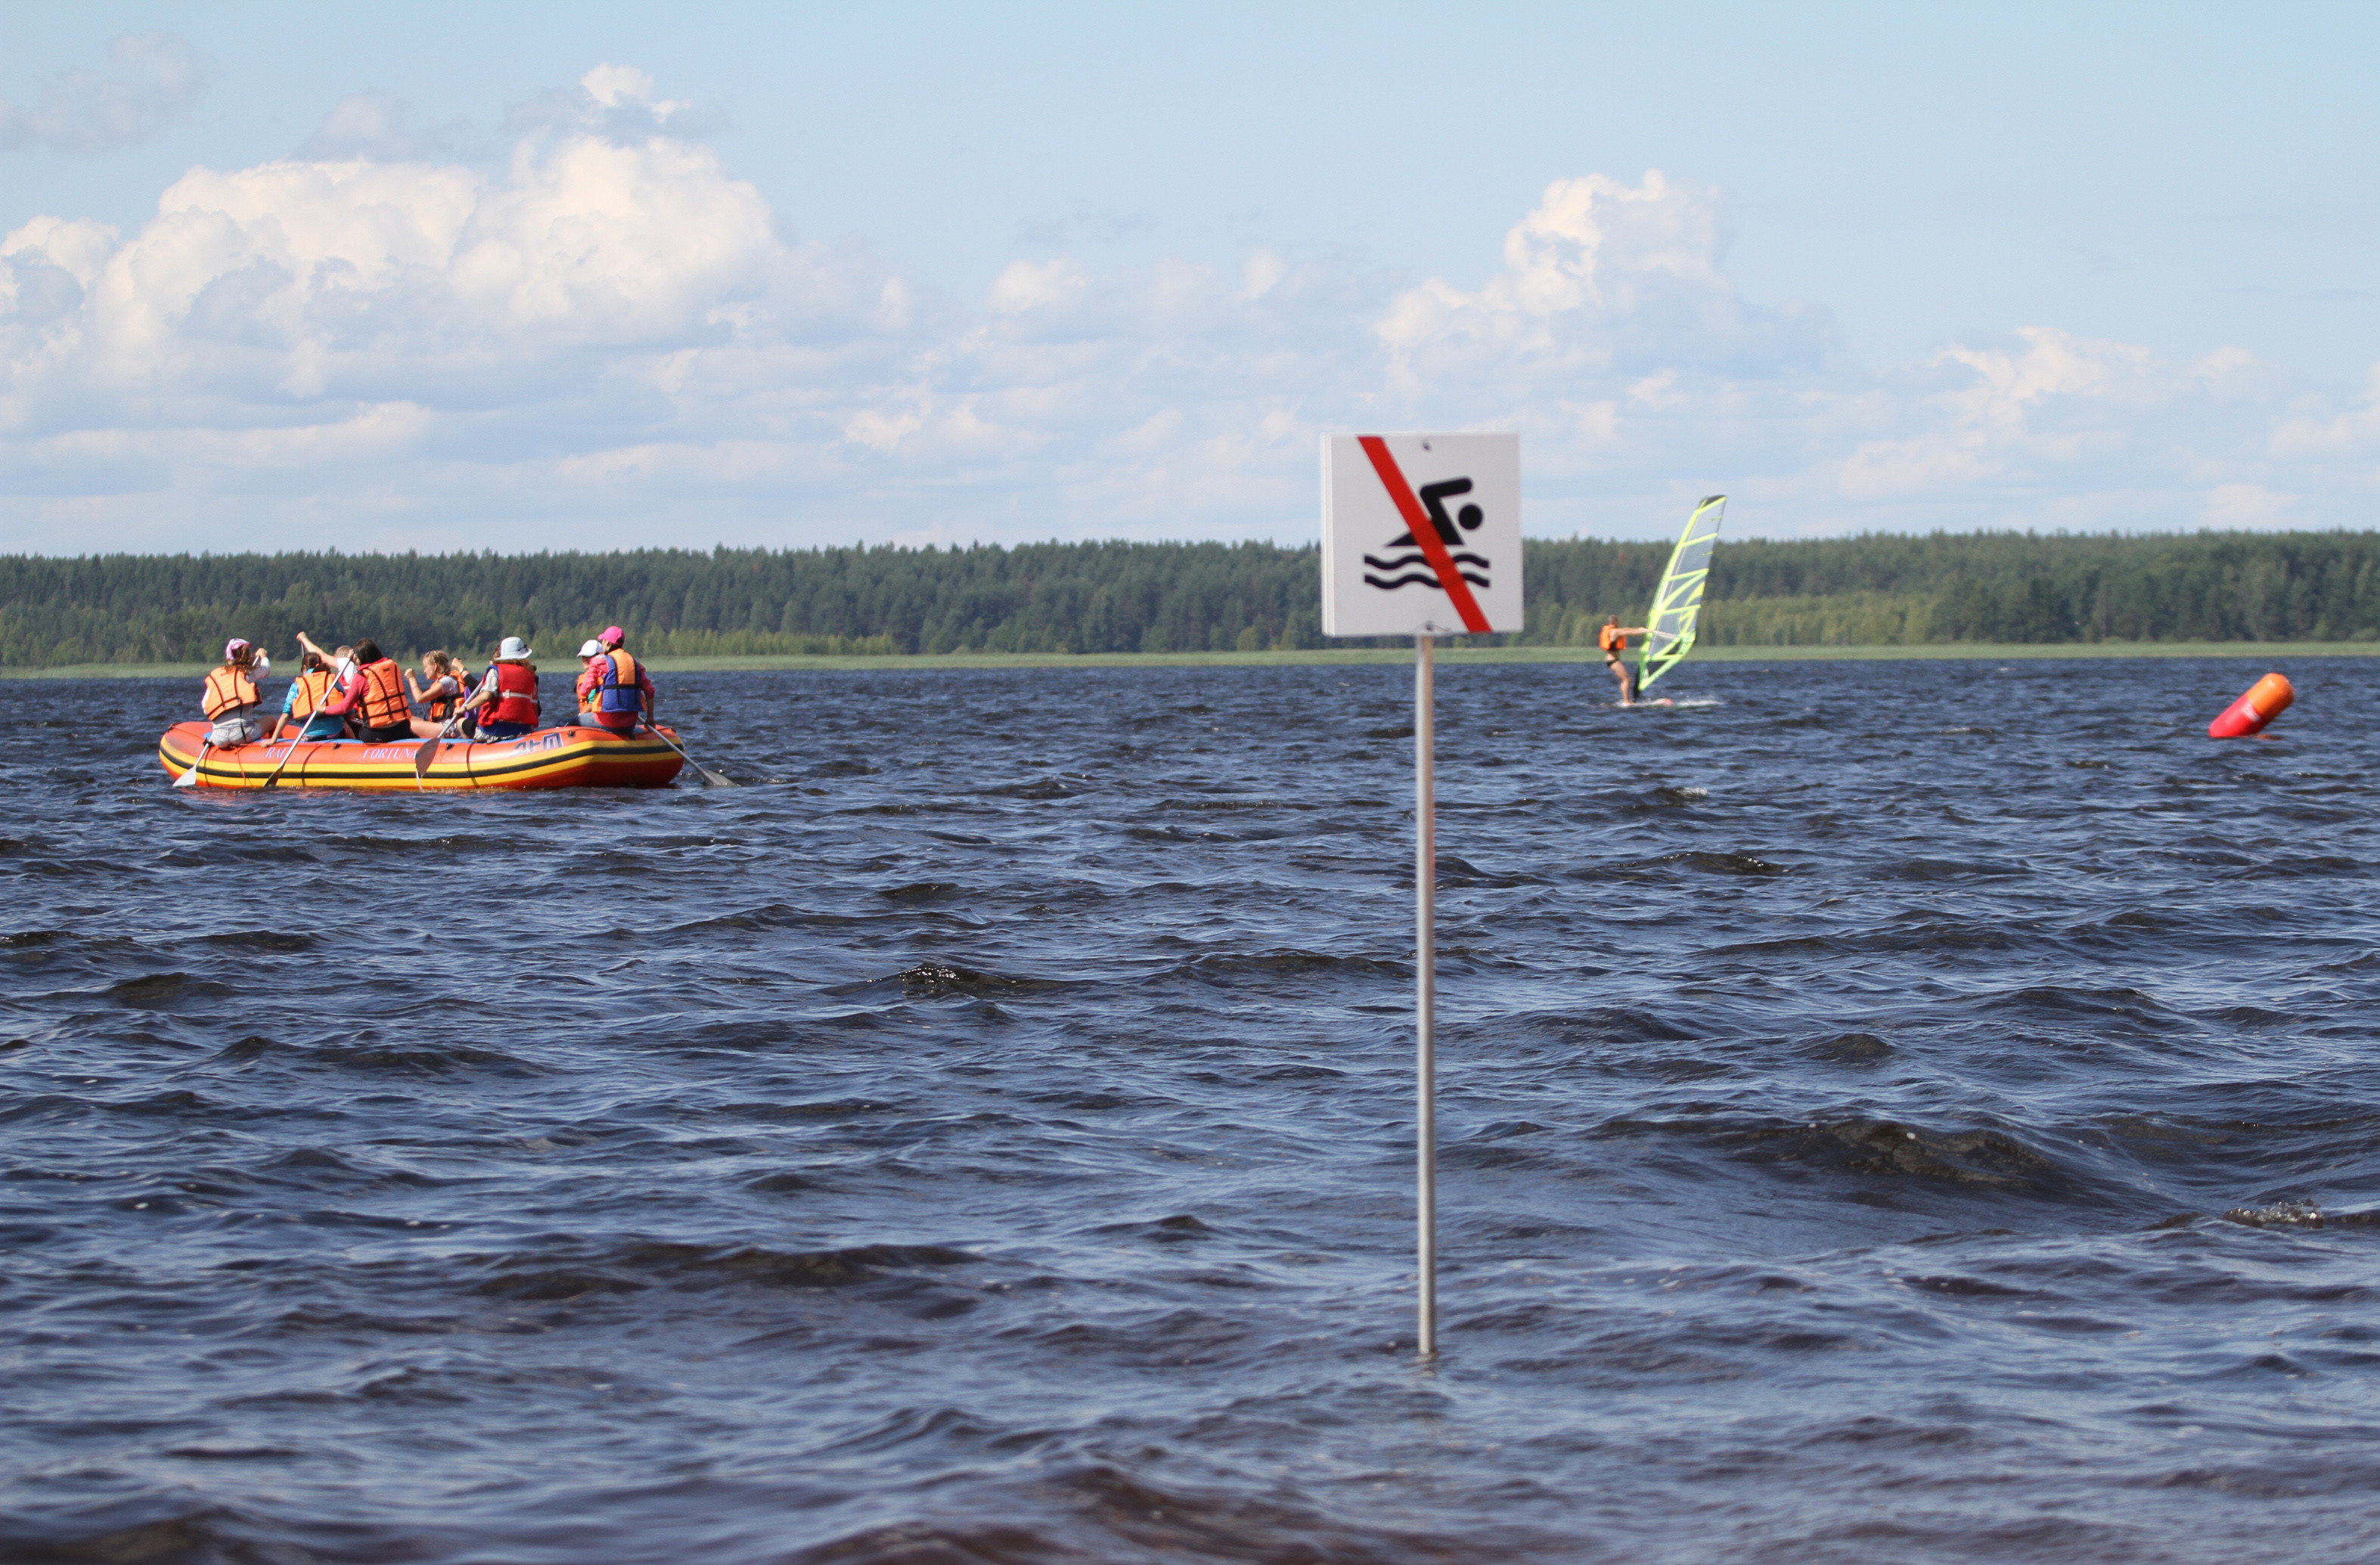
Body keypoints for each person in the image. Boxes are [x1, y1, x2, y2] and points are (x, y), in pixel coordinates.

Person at [299, 633, 414, 742]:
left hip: (378, 733)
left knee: (355, 729)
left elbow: (345, 708)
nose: (356, 662)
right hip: (401, 729)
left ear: (362, 657)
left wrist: (323, 709)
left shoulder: (361, 677)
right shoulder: (393, 668)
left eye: (357, 658)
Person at [456, 636, 542, 739]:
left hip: (495, 731)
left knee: (461, 723)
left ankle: (477, 749)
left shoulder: (496, 671)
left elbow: (486, 696)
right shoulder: (531, 675)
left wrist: (464, 709)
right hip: (524, 730)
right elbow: (538, 710)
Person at [582, 625, 655, 737]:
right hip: (629, 724)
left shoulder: (600, 662)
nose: (602, 643)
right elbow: (650, 691)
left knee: (566, 723)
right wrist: (650, 718)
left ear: (608, 643)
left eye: (603, 641)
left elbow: (584, 691)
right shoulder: (635, 664)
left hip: (606, 722)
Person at [201, 639, 268, 745]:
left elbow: (205, 707)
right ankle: (272, 749)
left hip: (219, 738)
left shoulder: (217, 676)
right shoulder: (250, 672)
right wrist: (263, 656)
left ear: (228, 657)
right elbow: (267, 670)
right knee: (271, 720)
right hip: (242, 734)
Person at [270, 649, 346, 742]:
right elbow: (348, 708)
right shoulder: (333, 679)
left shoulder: (297, 685)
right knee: (345, 723)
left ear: (304, 668)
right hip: (335, 734)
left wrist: (273, 740)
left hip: (310, 736)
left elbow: (286, 715)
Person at [405, 650, 473, 739]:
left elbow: (419, 699)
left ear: (435, 666)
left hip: (449, 728)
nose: (424, 671)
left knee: (408, 725)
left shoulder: (447, 682)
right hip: (440, 725)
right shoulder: (442, 681)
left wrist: (411, 678)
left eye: (426, 667)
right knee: (405, 719)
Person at [1598, 615, 1649, 706]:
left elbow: (1626, 629)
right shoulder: (1614, 632)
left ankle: (1626, 700)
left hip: (1613, 661)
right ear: (1615, 622)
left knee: (1625, 680)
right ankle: (1626, 701)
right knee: (1627, 679)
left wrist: (1639, 629)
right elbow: (1627, 632)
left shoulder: (1613, 630)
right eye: (1618, 622)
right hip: (1613, 661)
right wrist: (1640, 631)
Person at [568, 637, 607, 727]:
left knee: (561, 723)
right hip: (591, 717)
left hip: (597, 718)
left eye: (589, 657)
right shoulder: (585, 677)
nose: (585, 660)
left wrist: (581, 715)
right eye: (583, 657)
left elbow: (593, 703)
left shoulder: (599, 677)